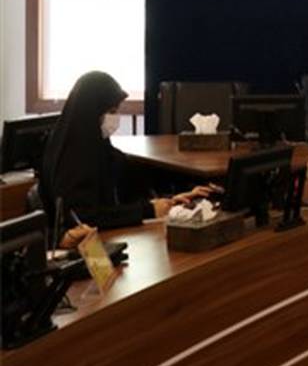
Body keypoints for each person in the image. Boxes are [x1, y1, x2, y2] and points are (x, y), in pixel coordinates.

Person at [39, 71, 213, 245]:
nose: (115, 118)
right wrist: (148, 210)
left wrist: (171, 199)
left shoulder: (98, 145)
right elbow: (85, 218)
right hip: (83, 246)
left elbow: (132, 177)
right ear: (92, 112)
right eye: (111, 111)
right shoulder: (73, 156)